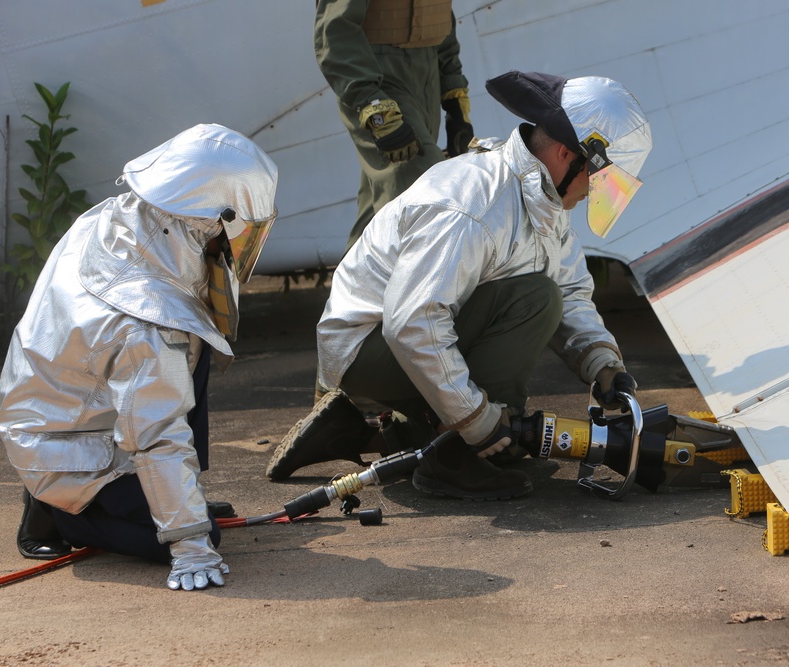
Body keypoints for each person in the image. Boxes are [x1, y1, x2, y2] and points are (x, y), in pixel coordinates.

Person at [266, 71, 652, 500]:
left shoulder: (541, 199)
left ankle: (356, 432)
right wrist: (479, 423)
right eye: (600, 180)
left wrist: (602, 362)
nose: (595, 194)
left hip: (399, 342)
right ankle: (452, 459)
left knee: (545, 295)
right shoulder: (474, 206)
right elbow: (413, 320)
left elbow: (572, 290)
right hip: (366, 346)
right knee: (535, 301)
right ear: (567, 154)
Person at [0, 124, 279, 591]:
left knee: (193, 345)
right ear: (208, 218)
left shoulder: (119, 216)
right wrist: (190, 545)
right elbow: (158, 432)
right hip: (62, 444)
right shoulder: (146, 319)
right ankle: (57, 512)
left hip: (62, 401)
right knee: (188, 532)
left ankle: (155, 495)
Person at [315, 0, 475, 249]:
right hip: (376, 77)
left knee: (386, 205)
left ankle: (354, 287)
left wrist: (453, 95)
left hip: (426, 73)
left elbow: (437, 14)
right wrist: (372, 104)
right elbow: (336, 31)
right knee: (426, 198)